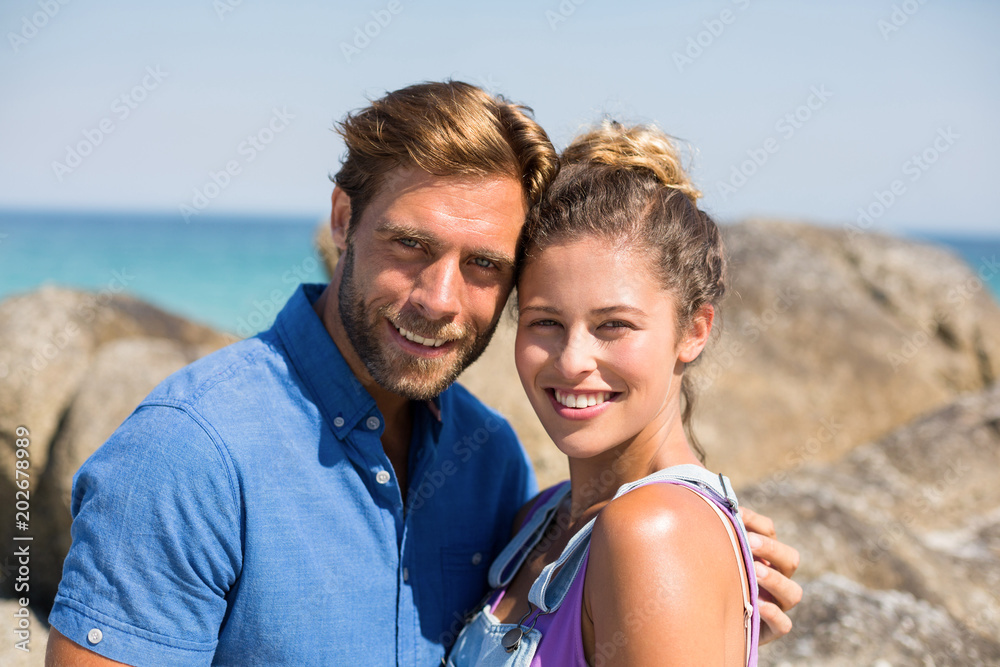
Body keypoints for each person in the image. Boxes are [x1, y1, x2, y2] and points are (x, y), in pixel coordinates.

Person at [45, 82, 800, 666]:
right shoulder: (192, 452)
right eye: (410, 244)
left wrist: (695, 550)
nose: (438, 300)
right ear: (342, 221)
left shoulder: (491, 462)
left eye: (481, 265)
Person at [448, 121, 784, 666]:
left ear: (694, 330)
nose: (573, 360)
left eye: (614, 325)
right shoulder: (536, 521)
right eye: (545, 322)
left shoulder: (654, 534)